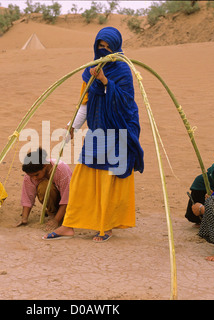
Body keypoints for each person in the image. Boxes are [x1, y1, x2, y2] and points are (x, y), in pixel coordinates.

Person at [43, 27, 144, 242]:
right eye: (100, 47)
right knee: (81, 179)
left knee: (109, 180)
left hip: (118, 133)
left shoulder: (124, 70)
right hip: (97, 131)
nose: (103, 52)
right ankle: (69, 225)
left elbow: (126, 104)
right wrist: (72, 127)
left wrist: (106, 81)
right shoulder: (89, 71)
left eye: (107, 48)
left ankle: (105, 227)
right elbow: (85, 104)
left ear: (116, 47)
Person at [17, 148, 72, 230]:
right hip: (57, 201)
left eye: (36, 175)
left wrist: (56, 221)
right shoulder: (31, 174)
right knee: (44, 187)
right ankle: (53, 213)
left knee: (46, 187)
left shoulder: (61, 170)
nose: (34, 178)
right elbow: (28, 196)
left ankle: (61, 215)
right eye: (31, 176)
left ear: (44, 166)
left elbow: (67, 198)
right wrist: (24, 218)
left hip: (71, 201)